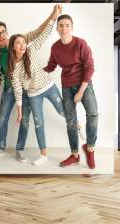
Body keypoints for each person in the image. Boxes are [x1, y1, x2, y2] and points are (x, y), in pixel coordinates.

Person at [0, 5, 62, 163]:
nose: (1, 35)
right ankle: (0, 147)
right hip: (10, 89)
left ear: (7, 32)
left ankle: (19, 149)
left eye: (3, 31)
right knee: (2, 118)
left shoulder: (19, 41)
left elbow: (40, 32)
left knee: (25, 120)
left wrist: (53, 15)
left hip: (28, 89)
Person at [9, 4, 64, 166]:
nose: (23, 45)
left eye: (23, 42)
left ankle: (78, 128)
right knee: (39, 123)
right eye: (19, 43)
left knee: (63, 112)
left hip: (48, 87)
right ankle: (44, 154)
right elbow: (18, 91)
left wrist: (54, 15)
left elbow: (44, 33)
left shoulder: (31, 50)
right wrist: (19, 113)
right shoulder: (13, 69)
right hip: (33, 95)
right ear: (13, 47)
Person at [43, 14, 98, 169]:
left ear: (72, 28)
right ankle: (75, 155)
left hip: (84, 84)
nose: (64, 28)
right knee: (71, 121)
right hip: (67, 86)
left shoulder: (80, 43)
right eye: (61, 25)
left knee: (93, 114)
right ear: (57, 28)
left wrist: (80, 92)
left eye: (67, 25)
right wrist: (34, 71)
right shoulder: (55, 47)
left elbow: (90, 67)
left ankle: (90, 149)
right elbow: (51, 66)